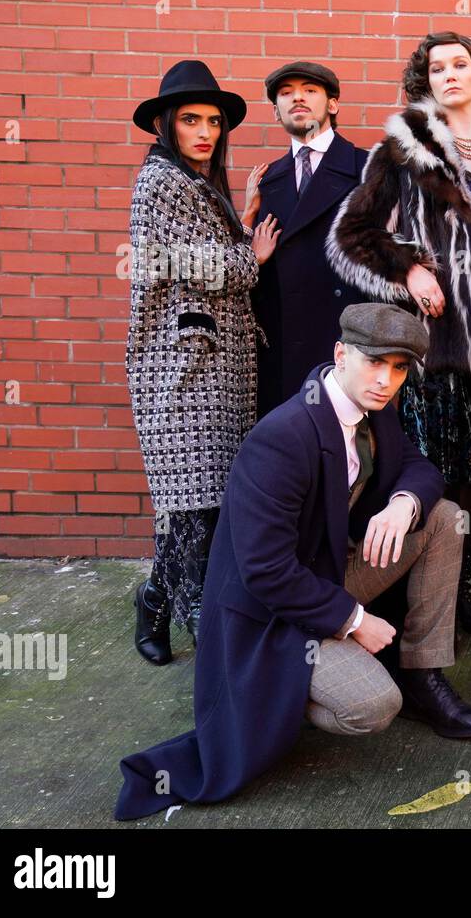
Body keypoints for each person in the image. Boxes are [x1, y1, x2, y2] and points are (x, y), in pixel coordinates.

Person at [114, 304, 471, 821]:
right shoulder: (283, 437)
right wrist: (355, 622)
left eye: (399, 368)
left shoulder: (375, 411)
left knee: (443, 517)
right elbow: (265, 572)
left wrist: (403, 504)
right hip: (269, 616)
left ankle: (422, 673)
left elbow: (420, 468)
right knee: (372, 706)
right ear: (340, 354)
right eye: (374, 363)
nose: (385, 380)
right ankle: (284, 701)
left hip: (328, 572)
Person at [328, 32, 471, 639]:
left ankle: (460, 593)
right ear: (425, 81)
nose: (450, 75)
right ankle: (423, 599)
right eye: (437, 68)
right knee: (435, 468)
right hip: (438, 342)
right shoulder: (403, 149)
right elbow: (351, 232)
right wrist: (407, 268)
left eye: (461, 64)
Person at [126, 60, 278, 664]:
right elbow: (216, 269)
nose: (206, 131)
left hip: (213, 372)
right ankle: (210, 644)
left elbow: (209, 255)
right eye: (191, 120)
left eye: (214, 121)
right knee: (192, 507)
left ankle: (157, 602)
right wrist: (254, 255)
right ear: (166, 124)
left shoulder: (195, 185)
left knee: (202, 505)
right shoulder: (162, 183)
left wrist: (239, 219)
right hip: (182, 373)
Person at [245, 61, 371, 419]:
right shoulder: (266, 181)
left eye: (310, 90)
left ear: (333, 104)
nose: (297, 97)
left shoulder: (368, 169)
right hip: (284, 354)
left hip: (346, 347)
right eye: (286, 93)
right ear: (275, 111)